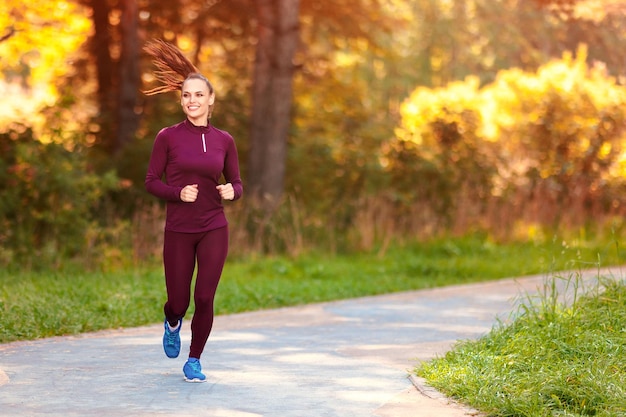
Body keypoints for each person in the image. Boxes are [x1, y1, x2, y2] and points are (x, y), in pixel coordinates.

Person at [143, 40, 243, 382]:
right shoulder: (167, 137)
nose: (192, 101)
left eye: (199, 95)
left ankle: (195, 359)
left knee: (204, 296)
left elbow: (238, 183)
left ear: (211, 99)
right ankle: (172, 323)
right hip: (179, 230)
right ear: (181, 99)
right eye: (186, 95)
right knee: (179, 300)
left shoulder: (224, 140)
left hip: (214, 226)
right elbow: (151, 181)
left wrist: (233, 191)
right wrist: (176, 192)